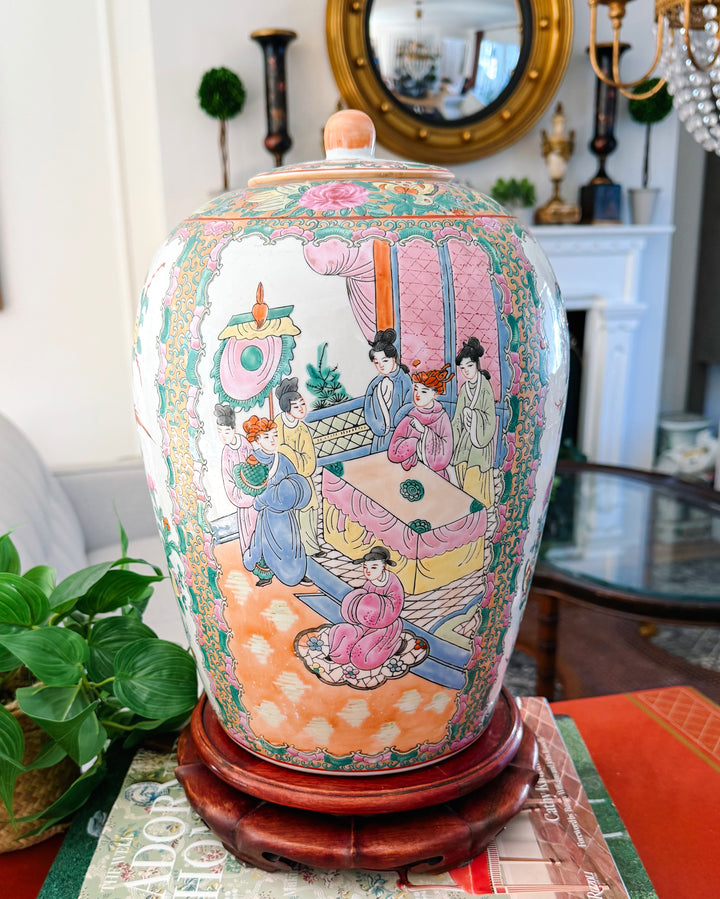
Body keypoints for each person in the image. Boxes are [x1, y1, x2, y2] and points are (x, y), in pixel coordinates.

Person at [241, 415, 312, 588]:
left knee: (292, 544)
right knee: (266, 546)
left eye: (274, 435)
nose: (272, 440)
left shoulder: (282, 459)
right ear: (257, 440)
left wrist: (292, 492)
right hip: (269, 516)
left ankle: (297, 573)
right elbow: (252, 490)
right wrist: (267, 497)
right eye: (266, 437)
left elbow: (295, 478)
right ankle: (266, 576)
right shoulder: (254, 463)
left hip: (287, 515)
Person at [327, 546, 405, 670]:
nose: (368, 571)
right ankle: (338, 656)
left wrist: (372, 604)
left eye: (374, 567)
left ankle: (394, 645)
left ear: (383, 566)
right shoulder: (370, 582)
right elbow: (362, 604)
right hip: (364, 623)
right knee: (341, 631)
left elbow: (394, 608)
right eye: (365, 567)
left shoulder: (392, 582)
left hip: (386, 626)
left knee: (362, 657)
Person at [274, 378, 323, 558]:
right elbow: (275, 453)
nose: (302, 409)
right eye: (297, 406)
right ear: (287, 409)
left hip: (303, 477)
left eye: (303, 404)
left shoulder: (302, 429)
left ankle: (311, 547)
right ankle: (293, 549)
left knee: (309, 509)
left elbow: (309, 462)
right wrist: (286, 453)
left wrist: (288, 452)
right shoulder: (276, 426)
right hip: (282, 480)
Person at [450, 337, 496, 507]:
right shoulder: (464, 389)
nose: (466, 371)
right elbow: (457, 420)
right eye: (463, 368)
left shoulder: (485, 388)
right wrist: (451, 441)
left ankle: (480, 509)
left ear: (477, 364)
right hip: (465, 439)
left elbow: (489, 418)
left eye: (469, 366)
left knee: (474, 476)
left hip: (480, 440)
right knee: (460, 468)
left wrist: (475, 416)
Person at [388, 364, 454, 478]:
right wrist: (414, 443)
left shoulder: (442, 417)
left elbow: (446, 452)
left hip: (436, 477)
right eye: (416, 390)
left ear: (434, 394)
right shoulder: (410, 417)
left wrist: (424, 431)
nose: (417, 395)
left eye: (423, 392)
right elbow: (393, 453)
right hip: (410, 474)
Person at [363, 328, 413, 453]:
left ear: (393, 359)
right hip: (380, 435)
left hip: (399, 435)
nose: (381, 366)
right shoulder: (375, 384)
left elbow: (409, 406)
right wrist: (377, 425)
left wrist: (398, 422)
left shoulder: (404, 380)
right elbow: (369, 409)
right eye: (377, 362)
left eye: (385, 360)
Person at [215, 403, 257, 549]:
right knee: (248, 534)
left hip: (255, 496)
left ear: (234, 429)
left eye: (226, 431)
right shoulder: (226, 454)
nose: (223, 436)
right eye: (219, 432)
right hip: (242, 502)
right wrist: (244, 497)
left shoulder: (245, 444)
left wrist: (255, 491)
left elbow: (255, 467)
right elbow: (229, 482)